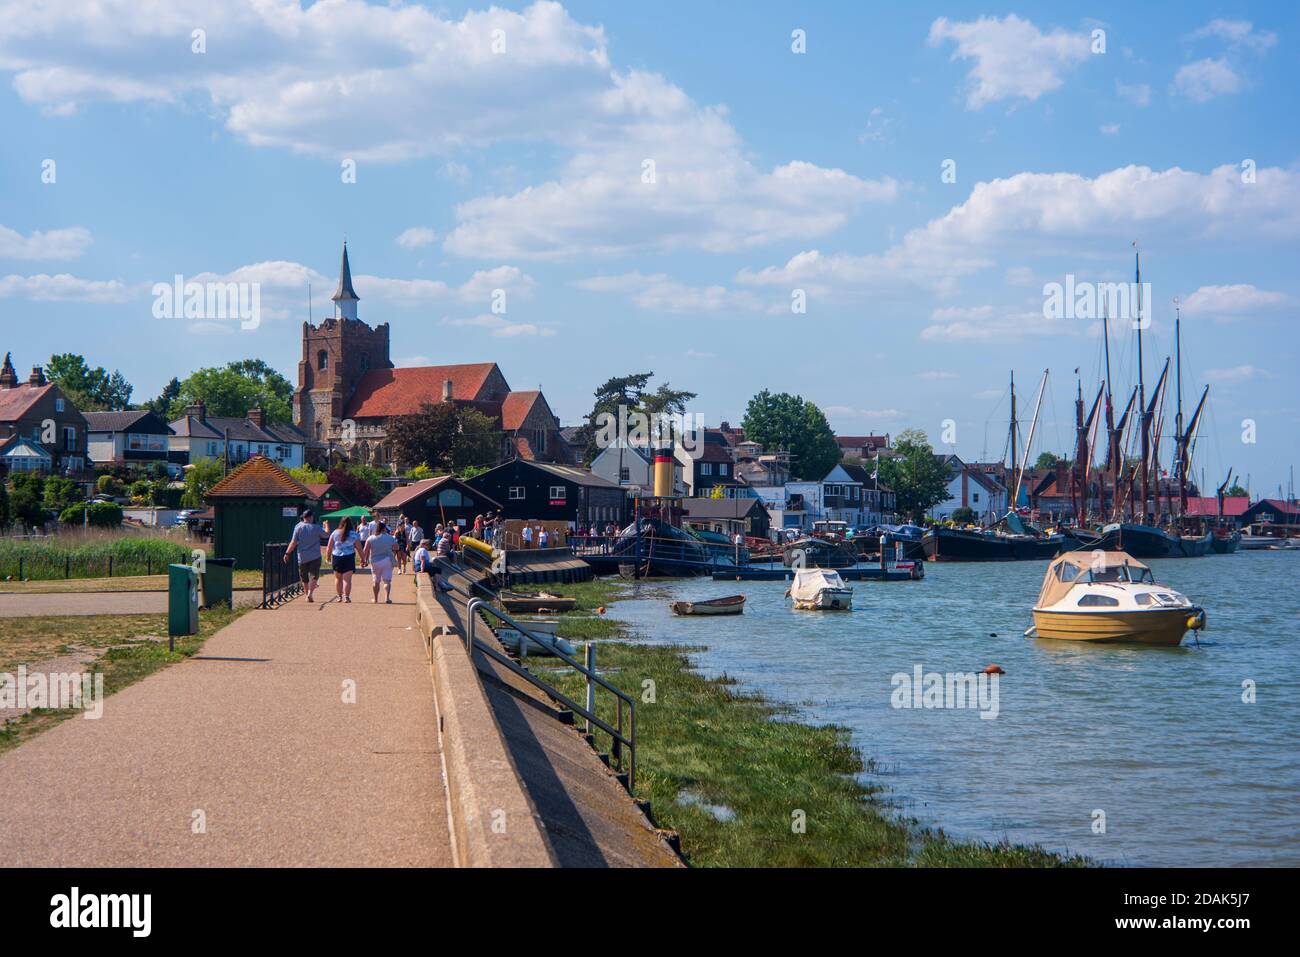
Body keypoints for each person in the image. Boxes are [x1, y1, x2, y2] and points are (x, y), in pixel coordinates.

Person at [283, 508, 324, 603]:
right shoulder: (316, 527)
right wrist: (326, 527)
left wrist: (287, 553)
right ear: (311, 517)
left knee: (304, 577)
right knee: (314, 576)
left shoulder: (298, 527)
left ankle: (307, 595)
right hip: (315, 555)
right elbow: (326, 535)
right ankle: (310, 593)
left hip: (302, 556)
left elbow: (293, 542)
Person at [327, 516, 361, 603]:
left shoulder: (335, 533)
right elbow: (359, 548)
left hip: (337, 557)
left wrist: (328, 557)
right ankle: (347, 597)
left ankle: (339, 596)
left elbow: (329, 547)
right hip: (349, 557)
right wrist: (363, 558)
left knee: (338, 579)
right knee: (347, 579)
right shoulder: (354, 534)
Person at [364, 520, 398, 604]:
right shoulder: (390, 537)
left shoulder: (371, 538)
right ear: (384, 529)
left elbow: (365, 550)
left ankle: (375, 599)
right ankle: (387, 598)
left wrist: (364, 560)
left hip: (375, 561)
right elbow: (396, 547)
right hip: (387, 560)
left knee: (376, 581)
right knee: (387, 581)